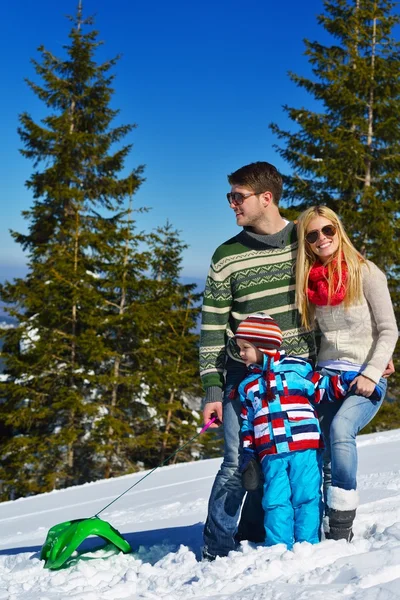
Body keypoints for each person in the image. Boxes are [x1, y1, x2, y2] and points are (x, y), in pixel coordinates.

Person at [199, 161, 316, 560]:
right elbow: (213, 327)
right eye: (230, 196)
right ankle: (216, 548)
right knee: (237, 462)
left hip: (297, 376)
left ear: (267, 198)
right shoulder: (226, 256)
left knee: (296, 458)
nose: (232, 204)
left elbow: (343, 290)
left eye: (238, 196)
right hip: (243, 377)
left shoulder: (305, 241)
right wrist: (212, 390)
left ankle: (274, 532)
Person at [235, 312, 382, 548]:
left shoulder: (297, 369)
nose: (241, 354)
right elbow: (247, 423)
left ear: (263, 346)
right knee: (274, 500)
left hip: (305, 447)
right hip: (270, 453)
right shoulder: (248, 385)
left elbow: (322, 388)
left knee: (307, 497)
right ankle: (278, 547)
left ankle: (308, 545)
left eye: (245, 347)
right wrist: (248, 453)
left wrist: (349, 381)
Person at [295, 205, 398, 541]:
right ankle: (321, 523)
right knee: (318, 446)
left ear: (338, 231)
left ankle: (341, 526)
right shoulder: (310, 283)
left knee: (341, 429)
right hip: (327, 378)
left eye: (328, 230)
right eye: (312, 235)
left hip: (366, 376)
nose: (322, 239)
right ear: (307, 243)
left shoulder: (367, 273)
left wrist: (371, 372)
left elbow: (388, 330)